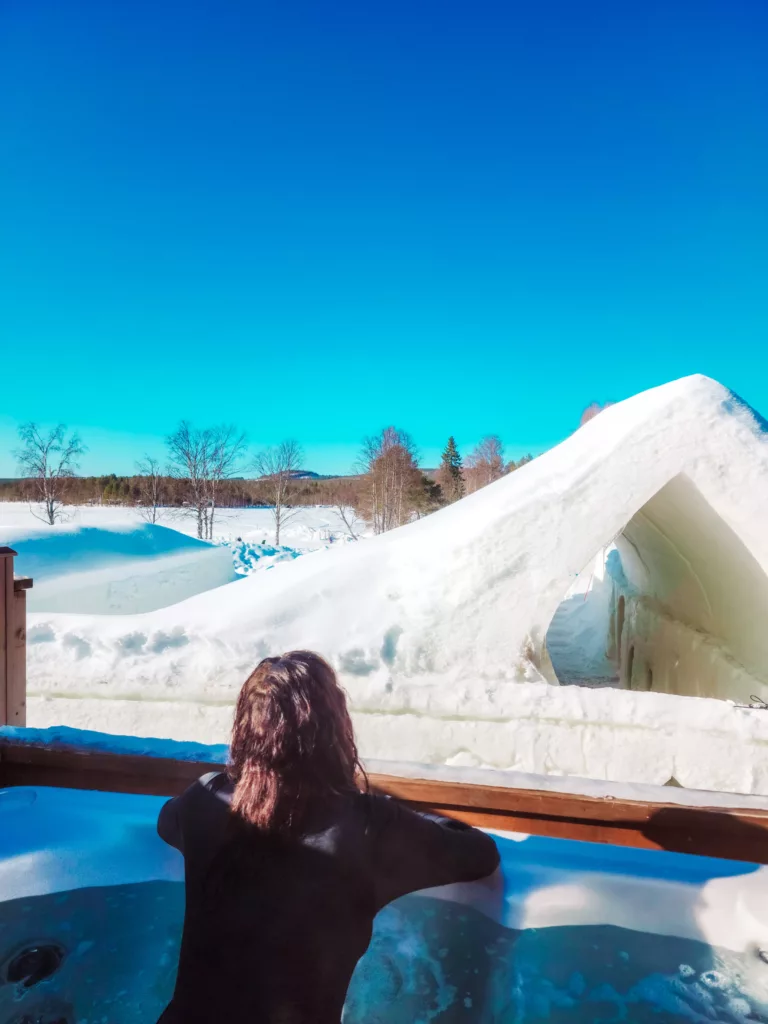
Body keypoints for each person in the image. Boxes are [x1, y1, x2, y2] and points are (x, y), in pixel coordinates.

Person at [156, 650, 499, 1024]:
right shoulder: (368, 828)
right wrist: (405, 817)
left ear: (244, 729)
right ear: (335, 729)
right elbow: (479, 854)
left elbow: (166, 822)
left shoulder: (204, 802)